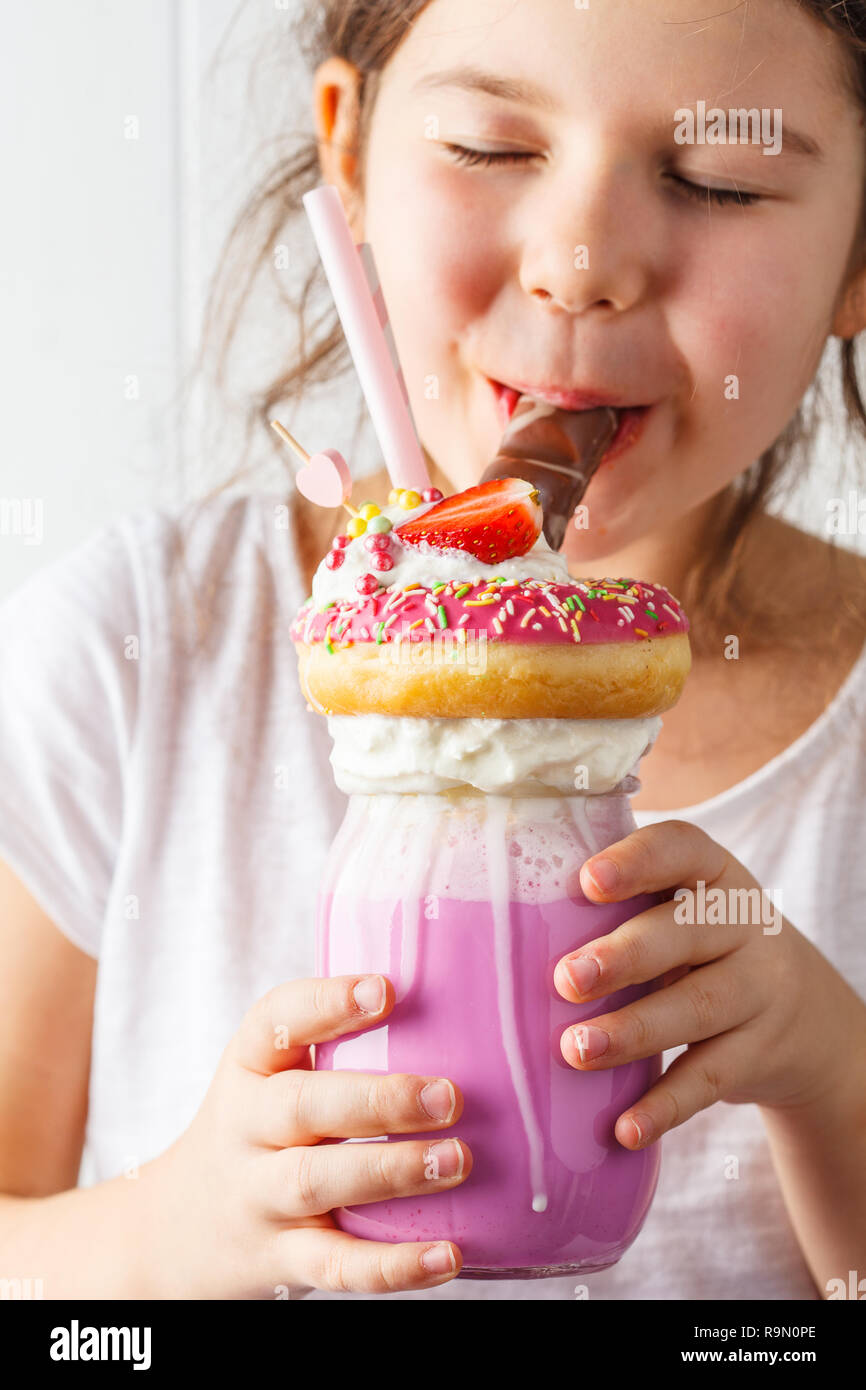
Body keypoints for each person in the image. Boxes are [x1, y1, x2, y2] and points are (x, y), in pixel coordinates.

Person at [1, 0, 865, 1301]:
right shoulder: (141, 659)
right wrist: (163, 1236)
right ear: (347, 158)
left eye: (712, 176)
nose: (579, 262)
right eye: (489, 148)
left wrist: (831, 1071)